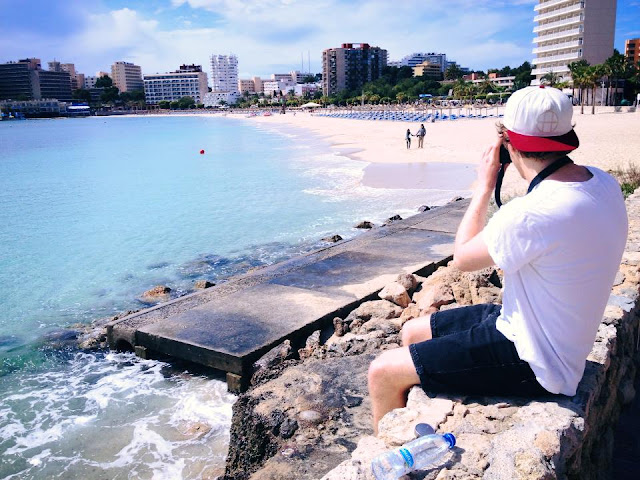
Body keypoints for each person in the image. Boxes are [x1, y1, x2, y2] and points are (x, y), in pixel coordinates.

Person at [368, 86, 628, 434]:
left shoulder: (533, 211)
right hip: (535, 326)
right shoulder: (602, 181)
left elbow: (463, 257)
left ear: (508, 143)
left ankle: (393, 456)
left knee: (383, 371)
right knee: (413, 331)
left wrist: (483, 186)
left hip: (538, 361)